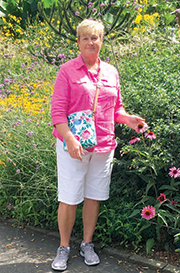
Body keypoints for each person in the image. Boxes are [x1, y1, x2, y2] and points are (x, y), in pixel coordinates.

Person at [50, 19, 147, 271]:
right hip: (74, 146)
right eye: (85, 38)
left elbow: (116, 109)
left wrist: (129, 120)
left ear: (101, 40)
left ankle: (87, 244)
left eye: (95, 38)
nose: (91, 42)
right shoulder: (67, 71)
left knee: (93, 196)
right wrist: (69, 139)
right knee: (70, 198)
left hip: (104, 144)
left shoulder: (111, 72)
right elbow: (58, 113)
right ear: (78, 42)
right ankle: (63, 247)